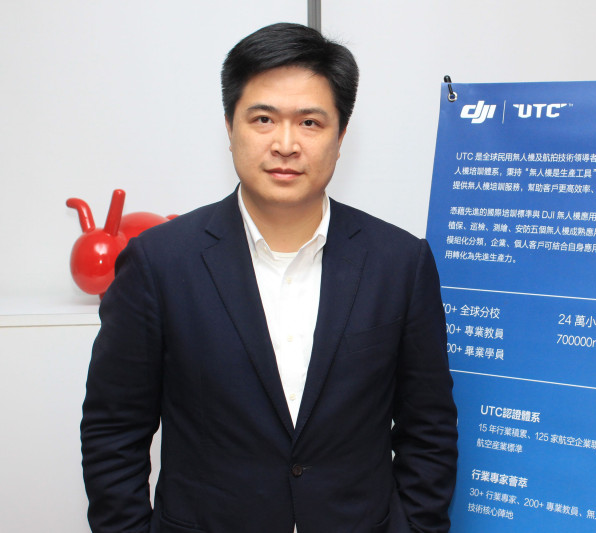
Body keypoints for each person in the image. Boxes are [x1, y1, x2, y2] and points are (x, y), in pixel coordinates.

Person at [80, 22, 458, 533]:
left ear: (341, 136)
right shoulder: (159, 263)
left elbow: (429, 428)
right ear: (229, 127)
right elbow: (113, 432)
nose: (285, 144)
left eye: (310, 122)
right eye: (263, 119)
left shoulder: (400, 263)